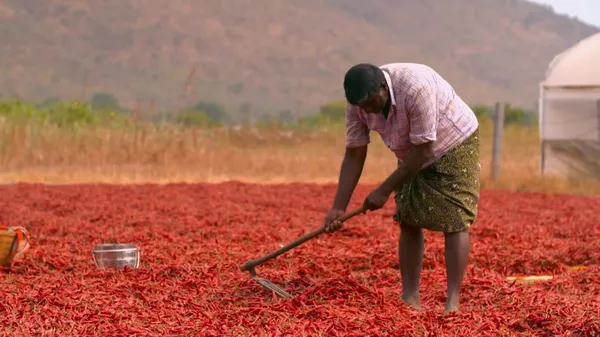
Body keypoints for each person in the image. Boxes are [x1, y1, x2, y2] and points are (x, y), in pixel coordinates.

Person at [323, 62, 481, 313]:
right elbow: (354, 154)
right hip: (410, 149)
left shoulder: (414, 88)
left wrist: (383, 189)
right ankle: (409, 298)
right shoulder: (358, 105)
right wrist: (338, 208)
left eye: (371, 103)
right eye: (361, 106)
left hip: (452, 141)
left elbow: (423, 151)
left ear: (384, 88)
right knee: (408, 218)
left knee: (455, 219)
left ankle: (452, 302)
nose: (367, 110)